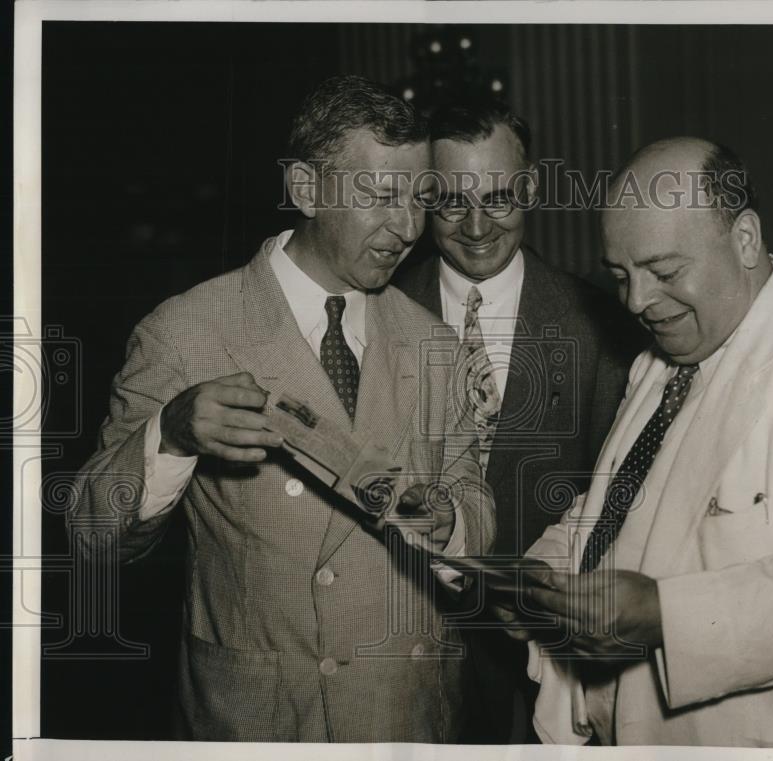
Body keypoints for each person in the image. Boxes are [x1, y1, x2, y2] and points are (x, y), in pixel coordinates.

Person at [69, 74, 494, 743]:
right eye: (381, 196)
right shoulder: (184, 332)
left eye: (420, 198)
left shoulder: (434, 342)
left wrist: (454, 525)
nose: (409, 228)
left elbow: (473, 492)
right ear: (305, 189)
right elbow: (90, 533)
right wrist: (169, 435)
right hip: (258, 723)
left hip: (407, 715)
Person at [498, 137, 773, 748]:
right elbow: (615, 509)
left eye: (664, 272)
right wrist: (544, 571)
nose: (637, 301)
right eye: (622, 276)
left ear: (745, 239)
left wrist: (664, 615)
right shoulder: (664, 359)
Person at [393, 98, 643, 743]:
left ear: (529, 189)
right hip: (401, 657)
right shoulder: (376, 314)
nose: (477, 226)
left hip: (543, 666)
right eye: (451, 202)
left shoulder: (604, 328)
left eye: (499, 198)